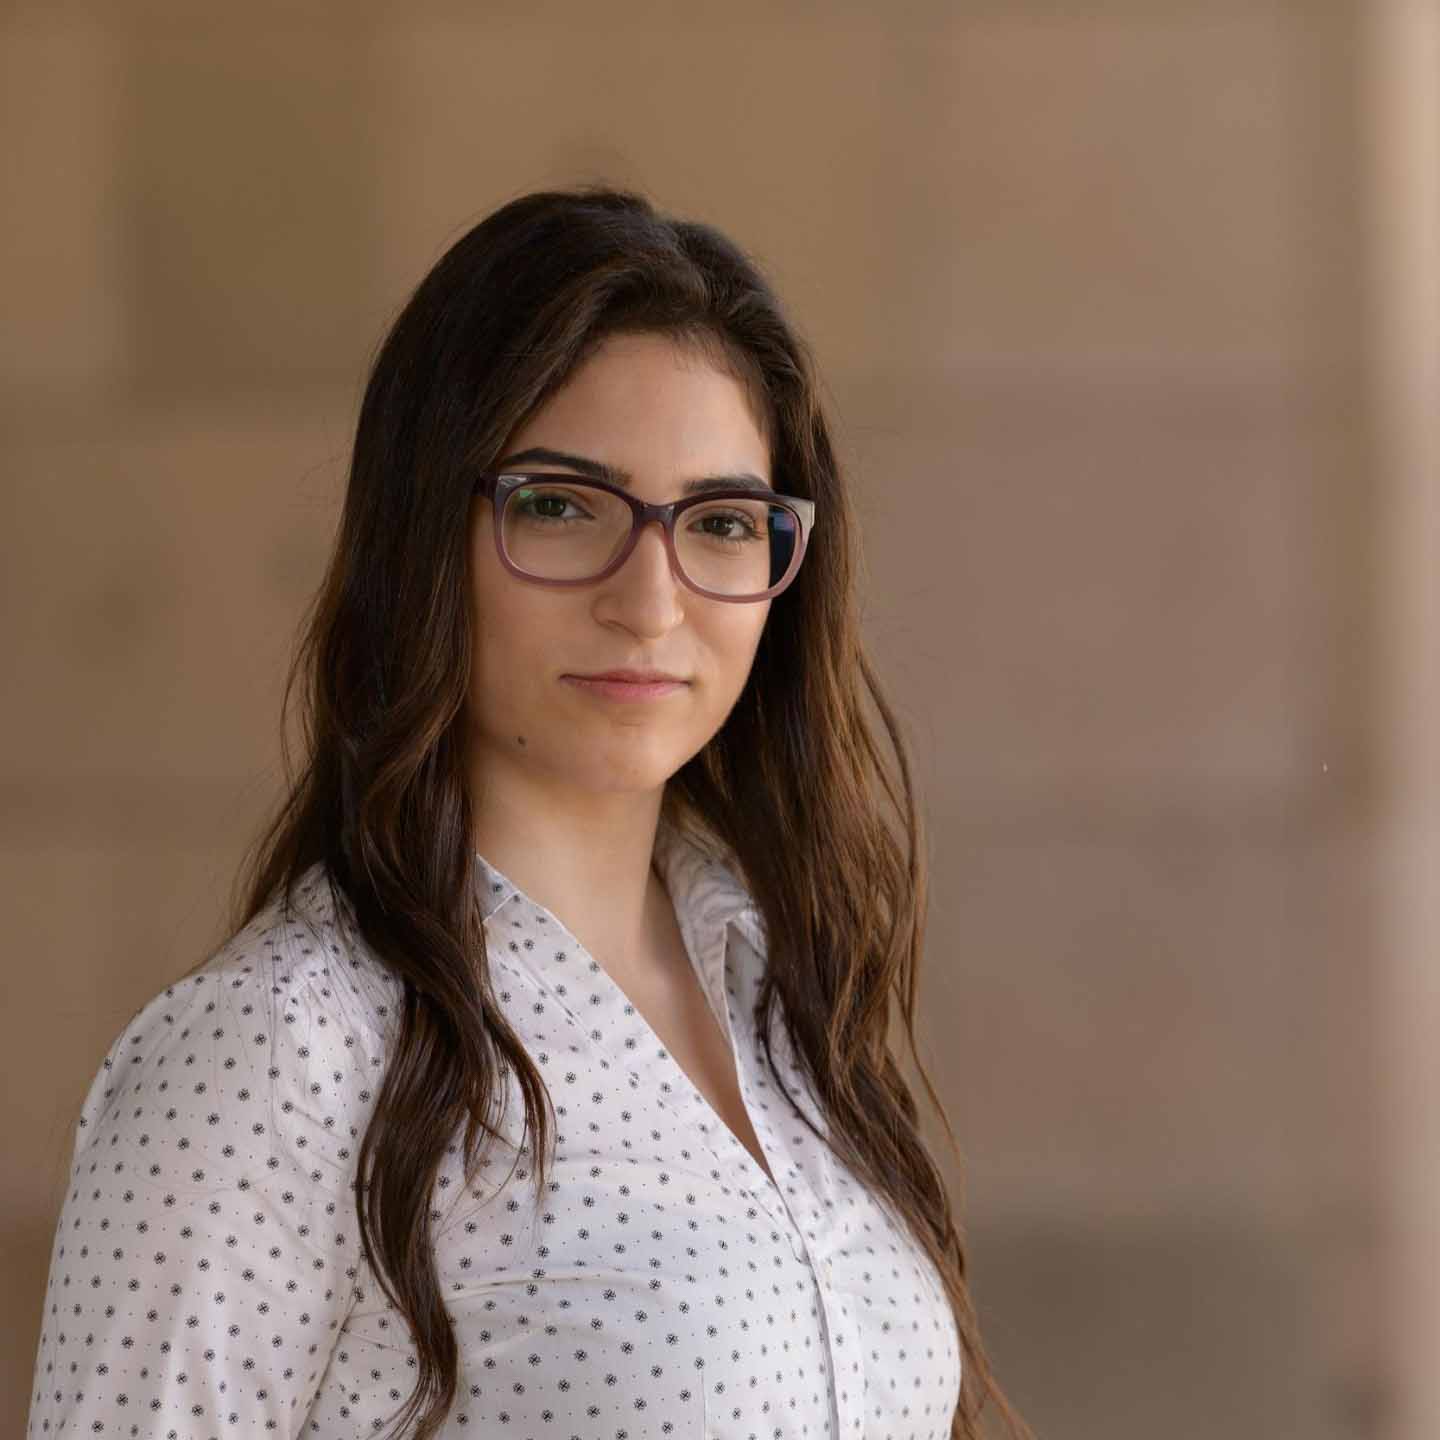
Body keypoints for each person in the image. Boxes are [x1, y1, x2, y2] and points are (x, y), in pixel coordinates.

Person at [25, 186, 1033, 1440]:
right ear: (425, 534)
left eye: (720, 523)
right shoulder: (283, 1052)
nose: (651, 601)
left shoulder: (780, 996)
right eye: (560, 504)